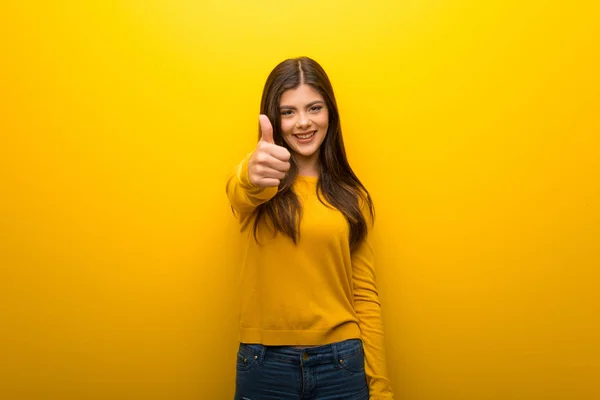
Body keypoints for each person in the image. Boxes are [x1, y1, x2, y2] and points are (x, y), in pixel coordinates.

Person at [226, 56, 394, 399]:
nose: (302, 122)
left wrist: (380, 387)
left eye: (314, 108)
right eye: (288, 112)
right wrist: (251, 173)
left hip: (341, 363)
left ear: (329, 113)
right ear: (274, 119)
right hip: (264, 364)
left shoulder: (352, 197)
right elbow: (240, 191)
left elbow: (364, 297)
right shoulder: (262, 184)